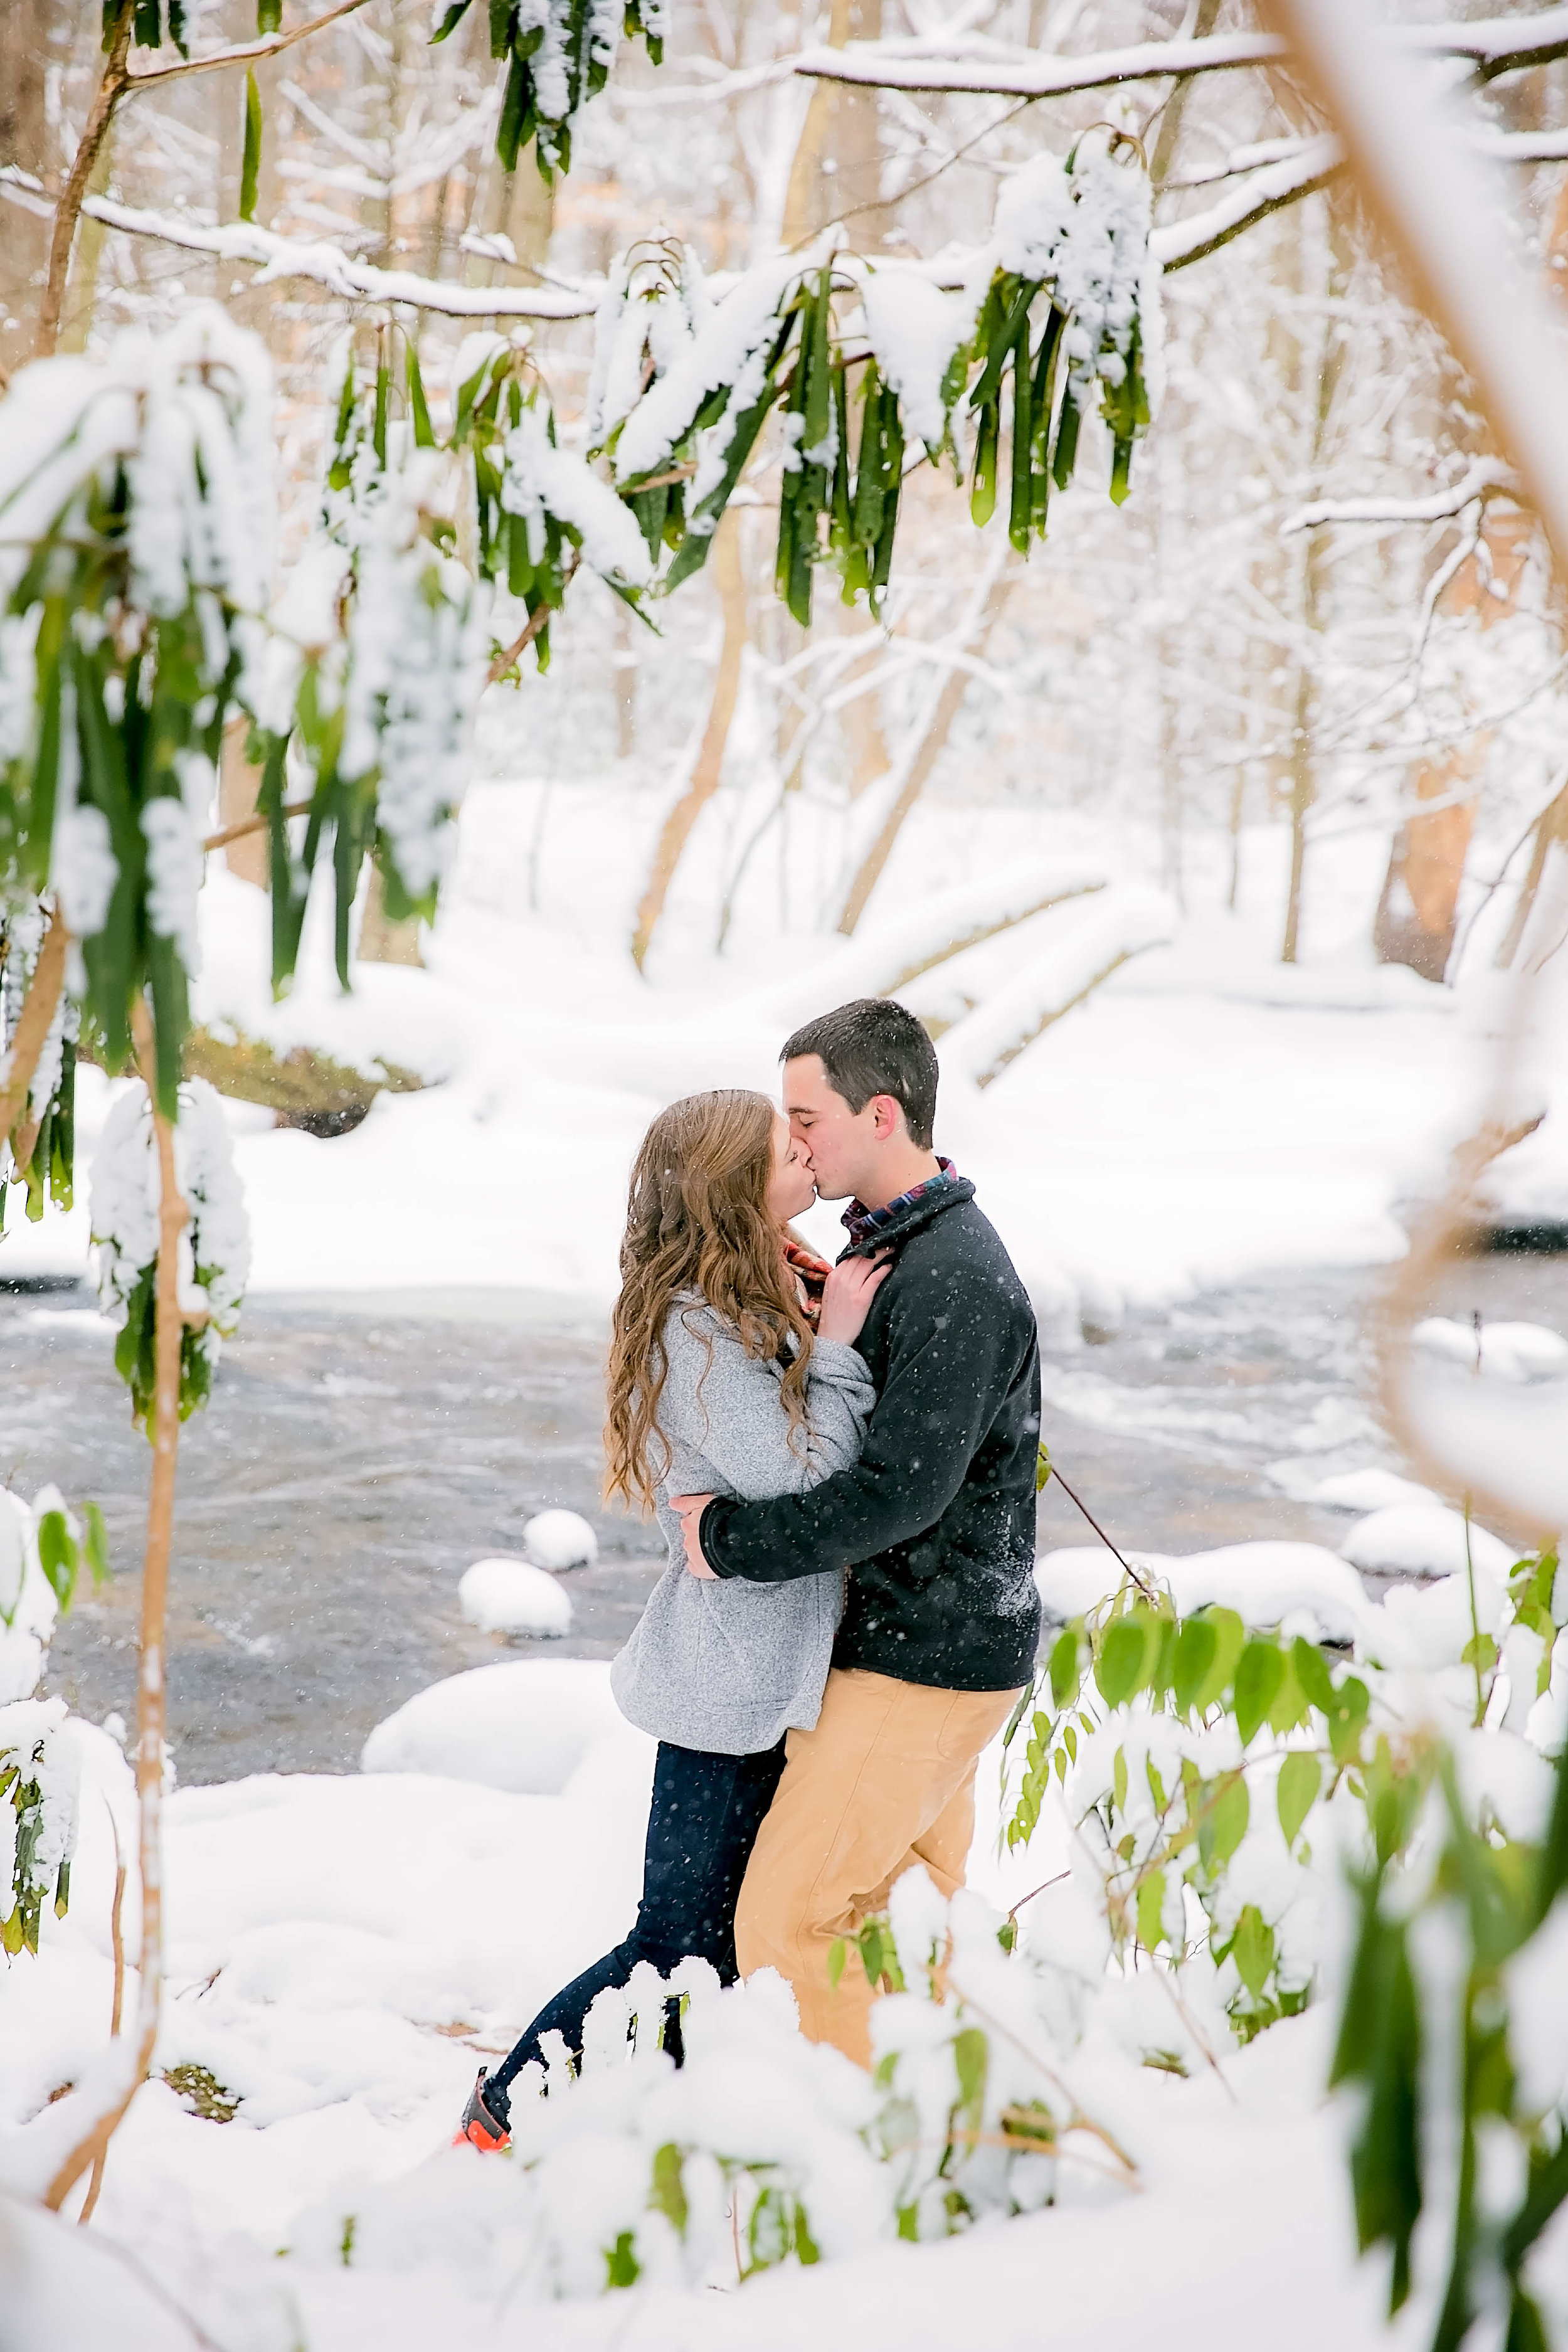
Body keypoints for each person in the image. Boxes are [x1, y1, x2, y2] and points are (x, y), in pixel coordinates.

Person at [456, 1086, 889, 2148]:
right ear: (731, 1187)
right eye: (782, 1142)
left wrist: (810, 1305)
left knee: (735, 1943)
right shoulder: (697, 1327)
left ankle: (660, 2124)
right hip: (721, 1690)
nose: (804, 1144)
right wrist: (836, 1341)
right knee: (679, 1945)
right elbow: (813, 1471)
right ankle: (503, 2111)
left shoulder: (757, 1280)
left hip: (764, 1683)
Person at [669, 999, 1041, 2070]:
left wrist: (726, 1541)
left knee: (784, 1926)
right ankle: (968, 2139)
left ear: (882, 1115)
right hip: (942, 1649)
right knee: (908, 1920)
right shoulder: (898, 1252)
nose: (790, 1145)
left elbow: (899, 1496)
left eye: (806, 1119)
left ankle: (859, 2154)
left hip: (922, 1660)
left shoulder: (955, 1277)